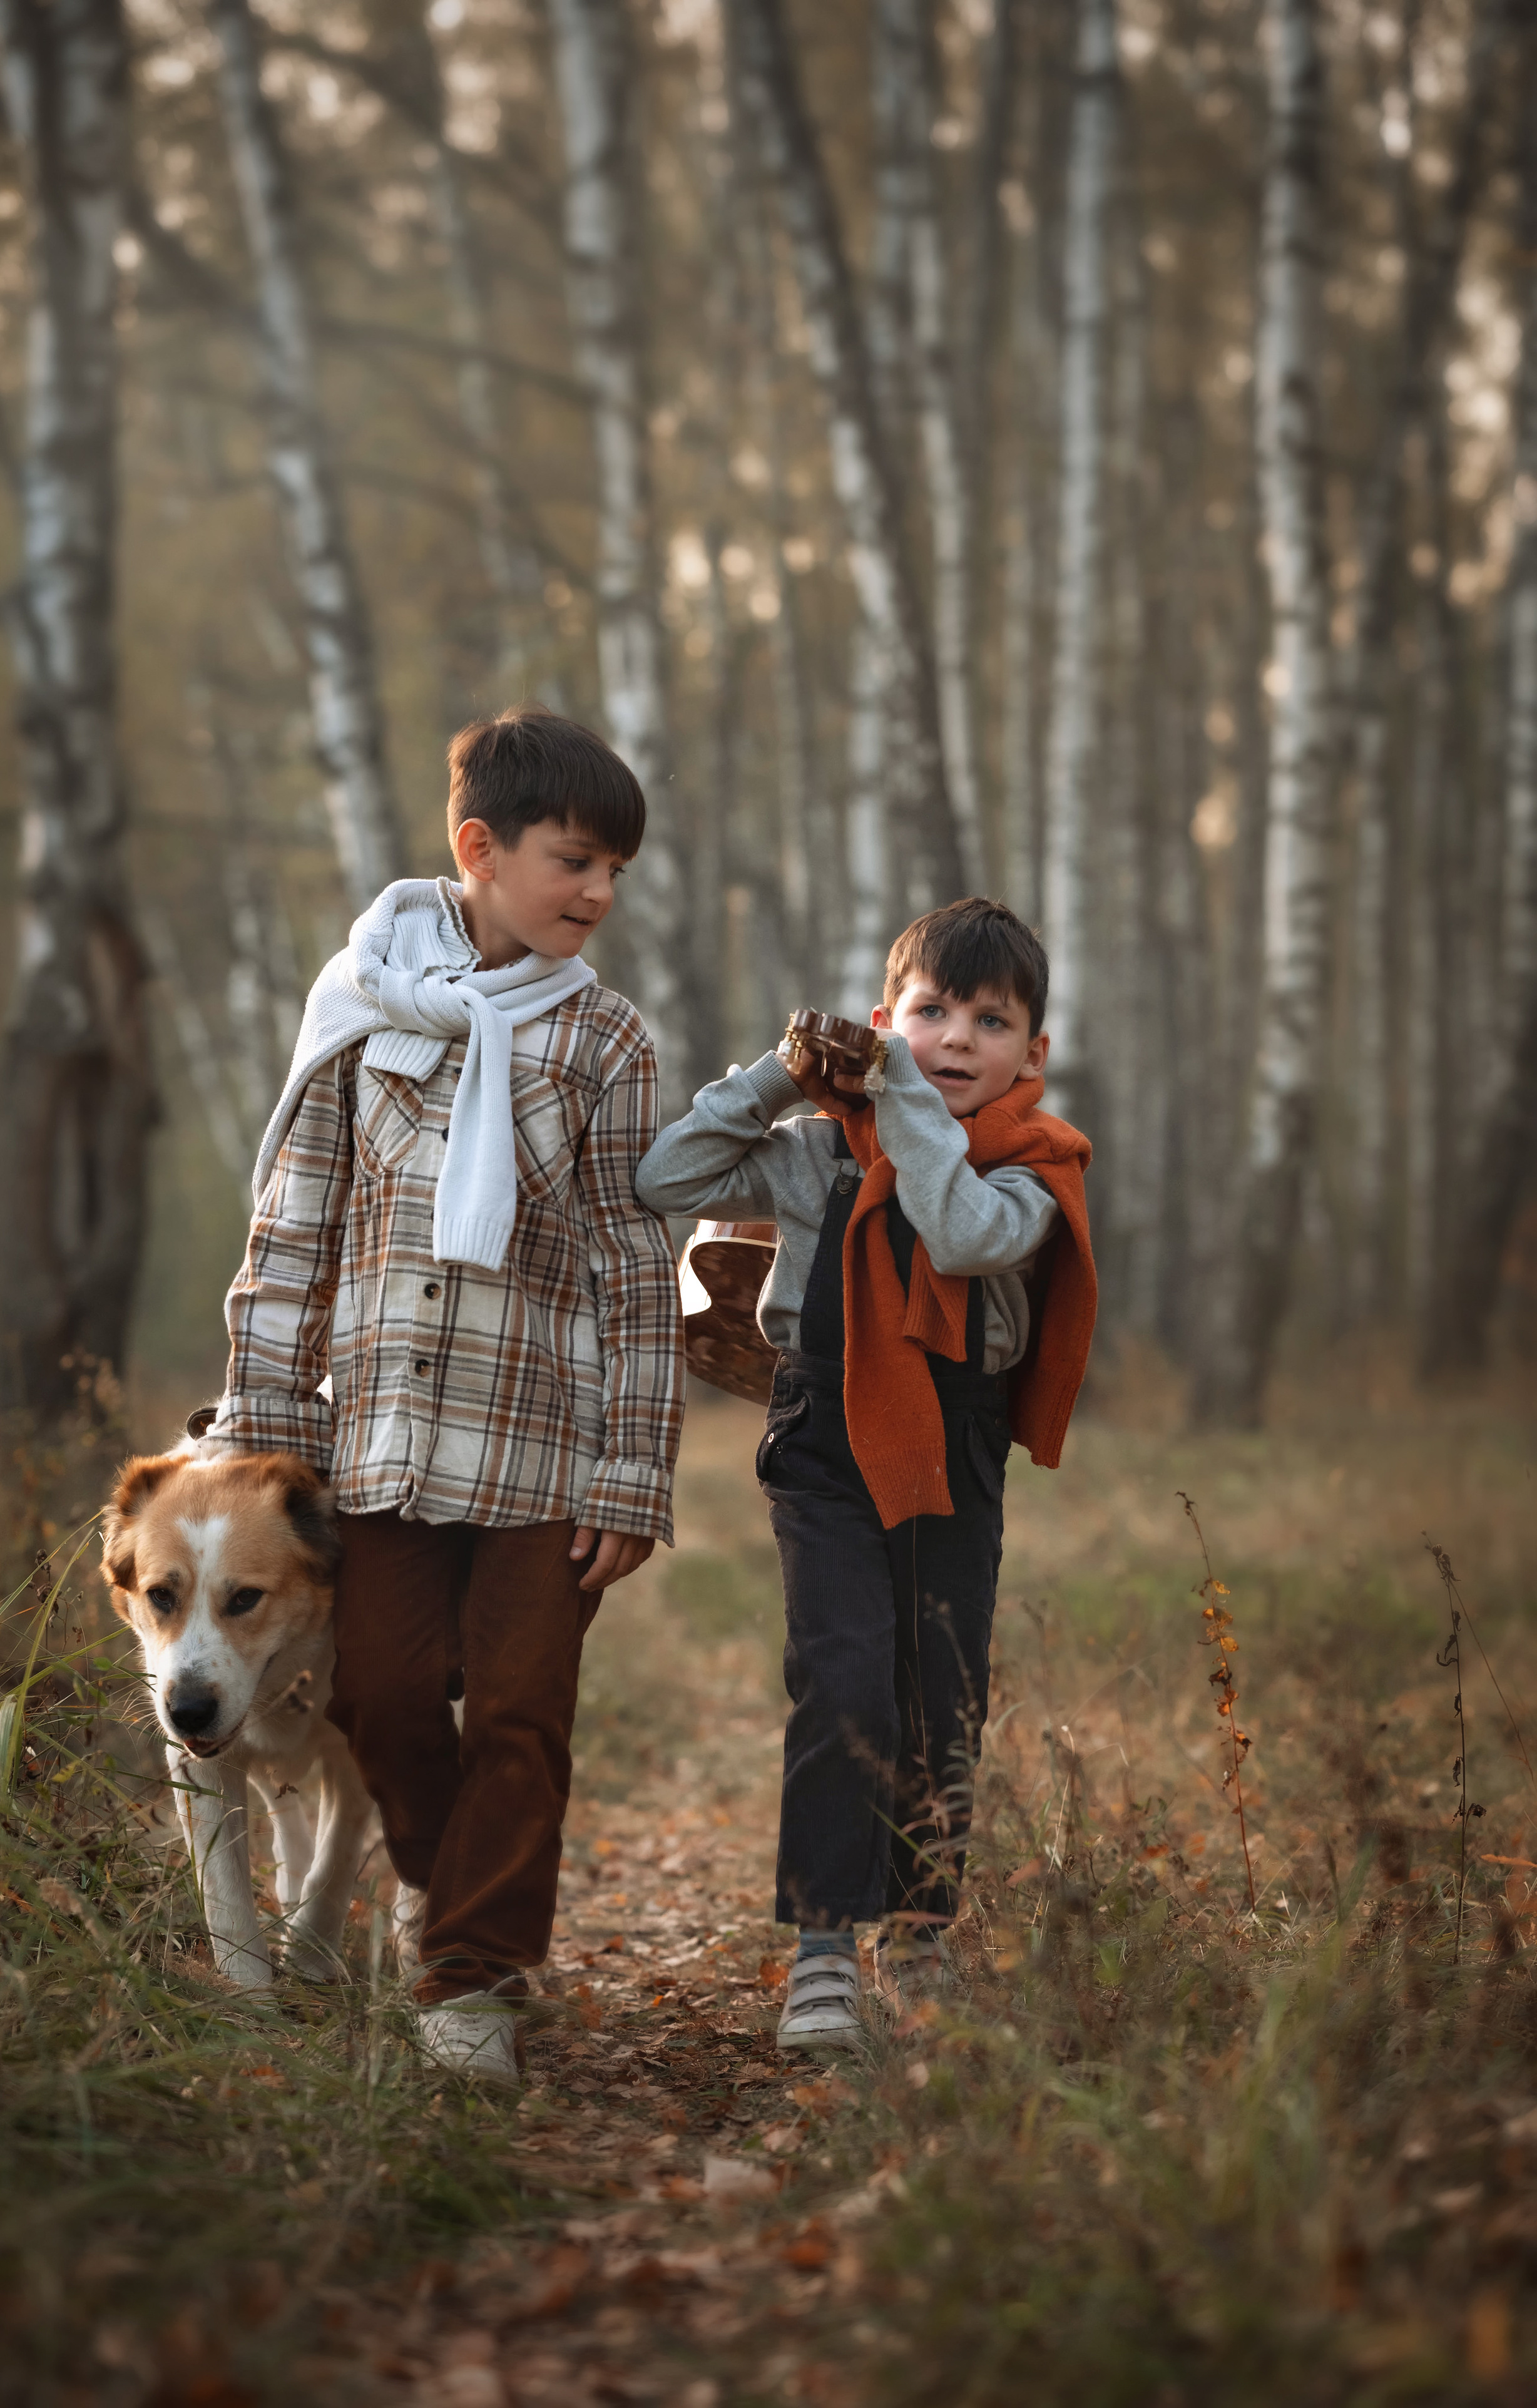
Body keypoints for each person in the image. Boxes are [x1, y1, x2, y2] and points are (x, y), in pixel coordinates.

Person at [203, 704, 683, 2089]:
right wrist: (260, 1449)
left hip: (541, 1460)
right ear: (478, 848)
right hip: (379, 1450)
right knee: (386, 1696)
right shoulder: (359, 1008)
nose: (596, 893)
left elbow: (629, 1275)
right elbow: (290, 1243)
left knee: (522, 1714)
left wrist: (629, 1477)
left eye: (612, 873)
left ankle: (469, 1978)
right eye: (573, 861)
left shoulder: (605, 1043)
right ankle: (440, 1879)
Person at [636, 897, 1095, 2052]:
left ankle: (923, 1932)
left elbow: (958, 1234)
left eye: (989, 1022)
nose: (954, 1040)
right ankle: (827, 1949)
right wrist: (780, 1079)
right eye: (930, 1013)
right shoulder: (814, 1154)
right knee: (844, 1682)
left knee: (940, 1693)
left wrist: (895, 1101)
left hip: (956, 1440)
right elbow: (665, 1177)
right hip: (825, 1440)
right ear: (889, 1018)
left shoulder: (1035, 1174)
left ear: (1031, 1054)